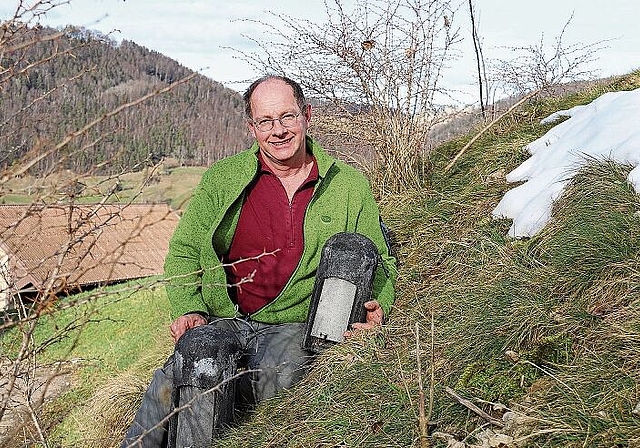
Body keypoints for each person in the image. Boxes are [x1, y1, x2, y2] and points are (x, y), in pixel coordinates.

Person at [121, 75, 396, 447]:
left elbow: (378, 258)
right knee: (198, 353)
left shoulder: (348, 185)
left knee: (220, 374)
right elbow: (185, 248)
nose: (278, 131)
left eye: (287, 117)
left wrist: (378, 308)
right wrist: (190, 308)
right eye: (265, 121)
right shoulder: (224, 178)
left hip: (294, 326)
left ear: (307, 116)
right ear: (252, 127)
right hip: (226, 318)